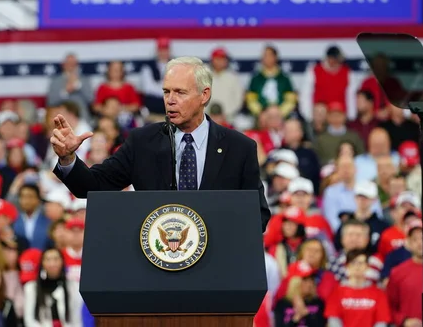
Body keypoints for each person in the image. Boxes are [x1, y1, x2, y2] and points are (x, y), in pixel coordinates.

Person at [51, 56, 270, 231]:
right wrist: (68, 158)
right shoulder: (142, 142)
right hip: (157, 267)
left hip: (217, 268)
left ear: (204, 95)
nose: (170, 100)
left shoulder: (239, 148)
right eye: (166, 92)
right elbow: (93, 187)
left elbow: (257, 216)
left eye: (180, 92)